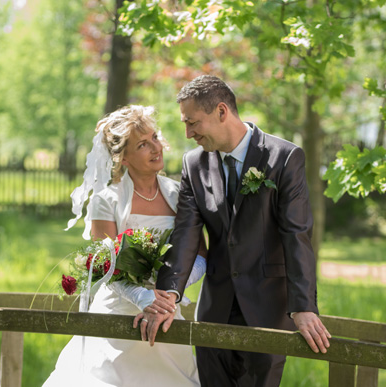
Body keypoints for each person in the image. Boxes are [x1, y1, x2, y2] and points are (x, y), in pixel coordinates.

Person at [137, 75, 331, 386]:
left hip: (268, 309)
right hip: (215, 307)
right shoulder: (193, 164)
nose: (188, 134)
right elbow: (186, 233)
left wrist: (304, 307)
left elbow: (297, 237)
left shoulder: (284, 158)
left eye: (192, 122)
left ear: (222, 111)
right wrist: (168, 296)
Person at [43, 105, 206, 386]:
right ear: (124, 158)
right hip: (117, 322)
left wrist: (169, 294)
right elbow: (106, 266)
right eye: (143, 144)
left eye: (155, 137)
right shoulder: (106, 200)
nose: (156, 147)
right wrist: (144, 299)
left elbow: (200, 256)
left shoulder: (180, 194)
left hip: (166, 316)